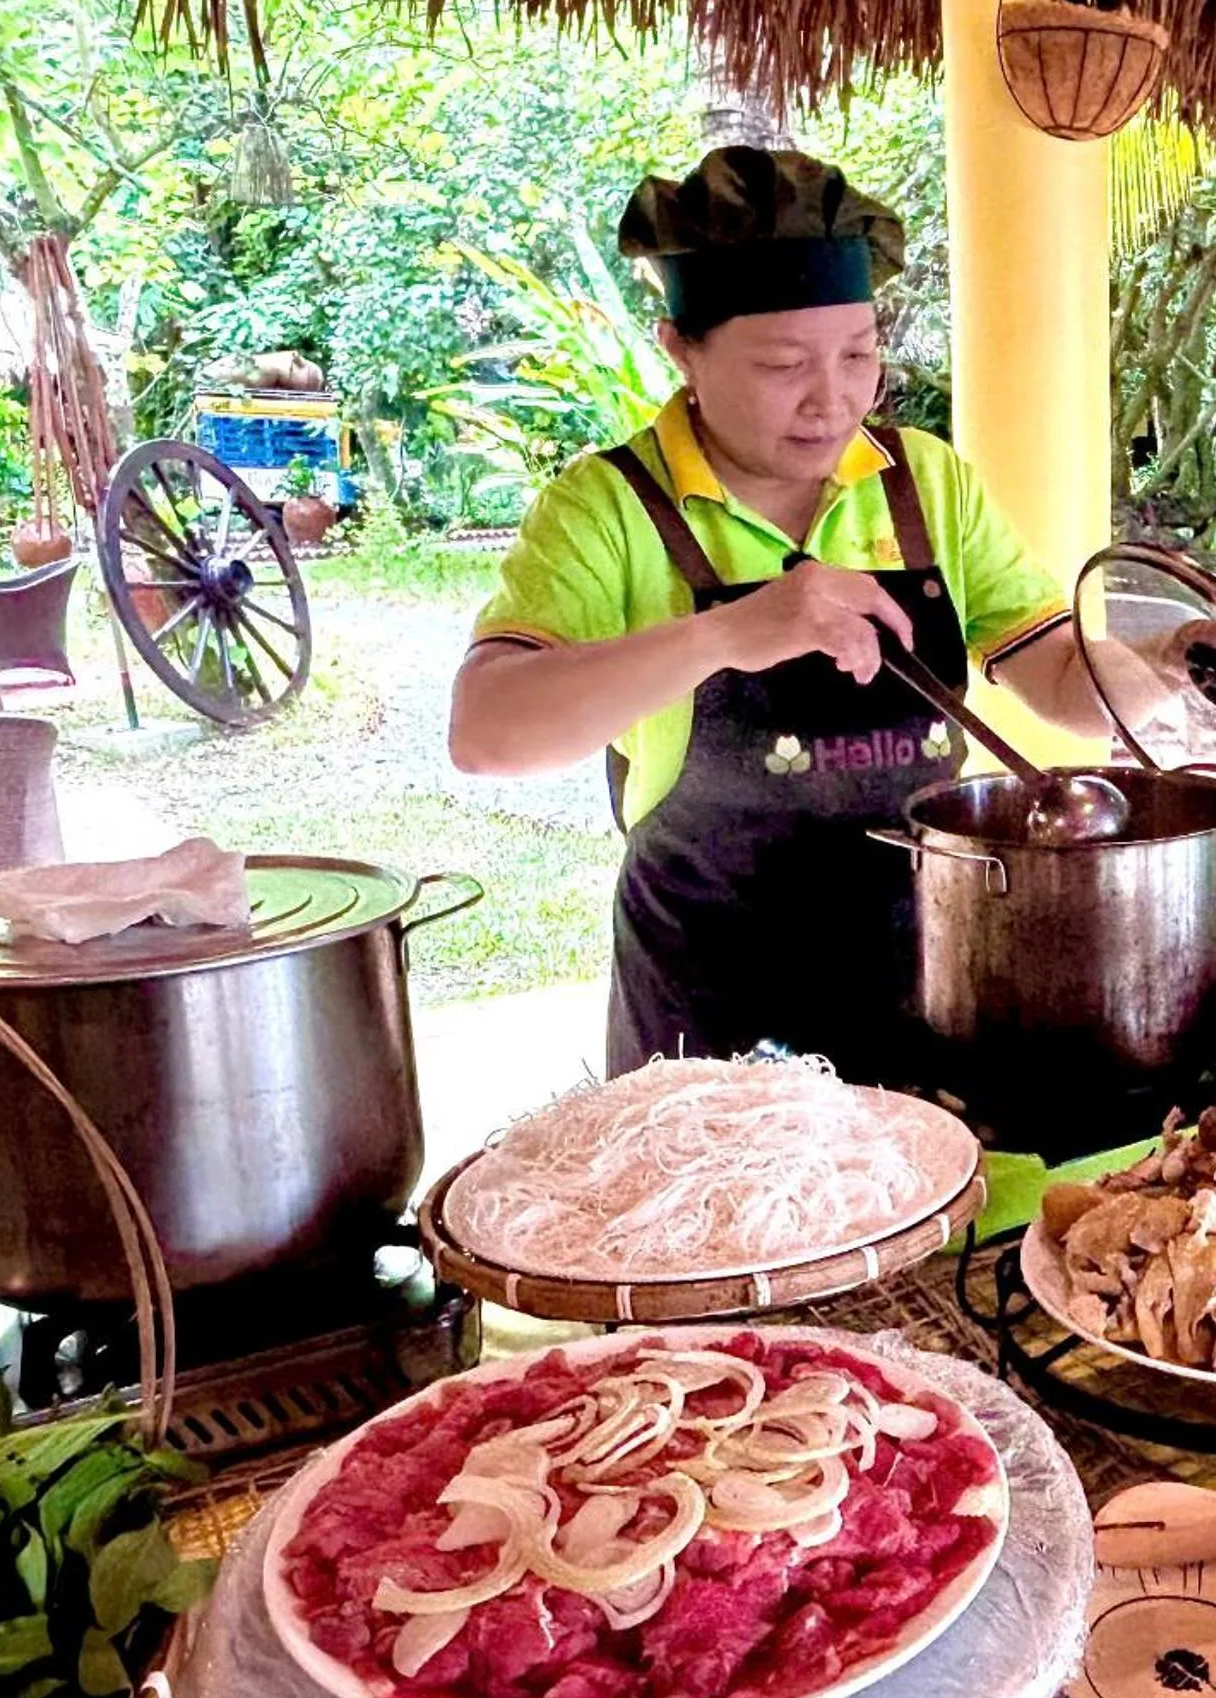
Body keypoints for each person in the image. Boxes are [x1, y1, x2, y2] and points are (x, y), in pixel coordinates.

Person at [448, 146, 1117, 1081]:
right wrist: (729, 631)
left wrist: (1167, 672)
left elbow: (1059, 678)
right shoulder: (608, 508)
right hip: (707, 1009)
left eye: (859, 355)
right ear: (680, 349)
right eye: (782, 364)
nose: (832, 400)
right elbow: (487, 733)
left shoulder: (922, 482)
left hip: (926, 976)